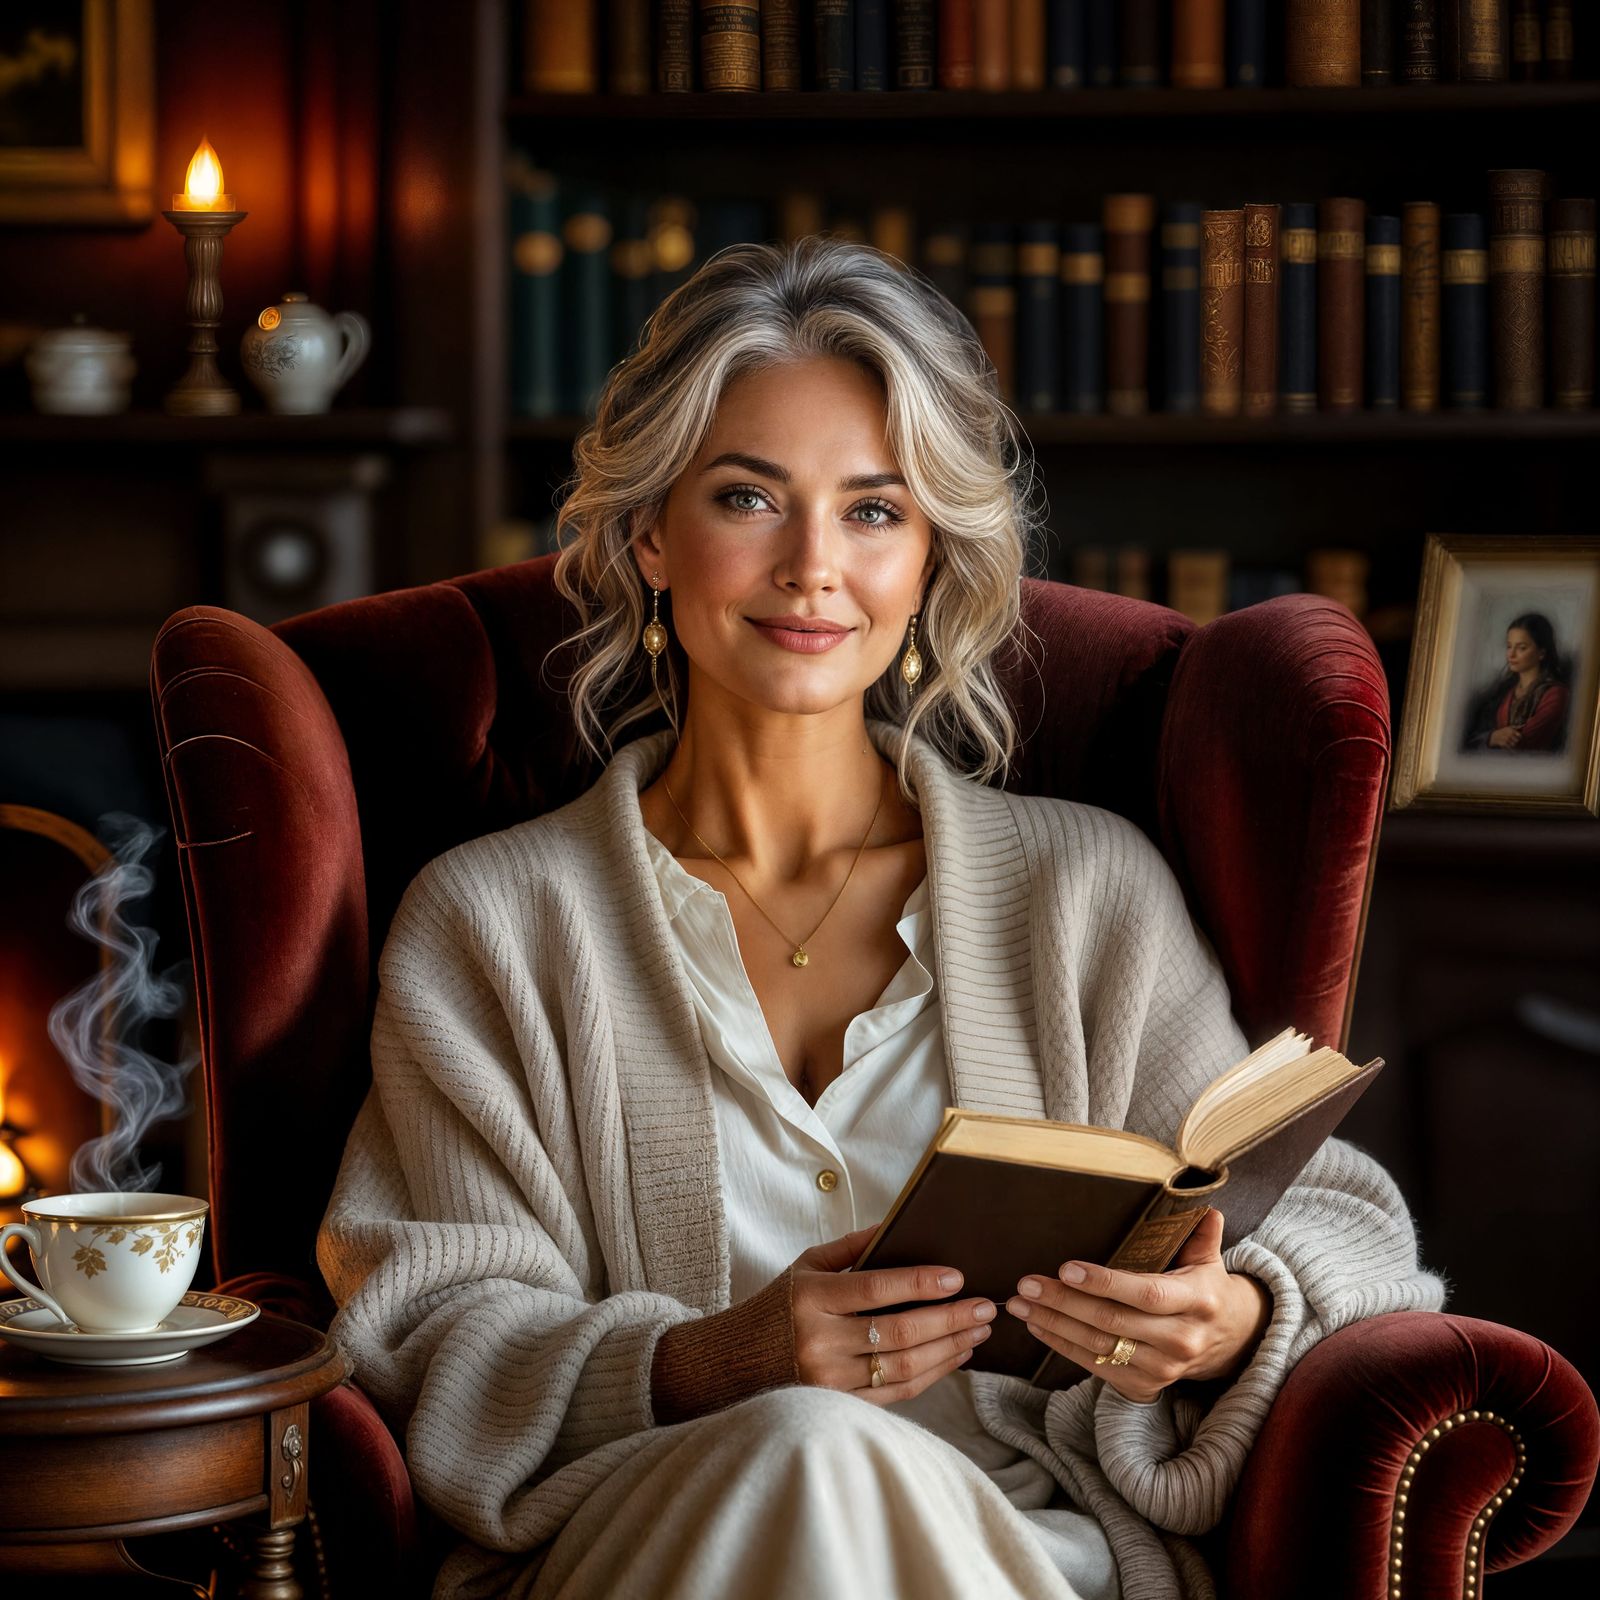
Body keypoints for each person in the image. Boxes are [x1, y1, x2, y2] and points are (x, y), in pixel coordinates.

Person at [315, 237, 1447, 1600]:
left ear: (927, 558)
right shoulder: (490, 924)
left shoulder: (1086, 892)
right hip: (648, 1545)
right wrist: (725, 1359)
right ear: (648, 536)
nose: (813, 567)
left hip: (1021, 1548)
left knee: (826, 1455)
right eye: (749, 497)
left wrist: (1226, 1319)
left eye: (872, 510)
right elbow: (425, 1324)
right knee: (803, 1447)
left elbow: (1348, 1228)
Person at [1461, 612, 1571, 754]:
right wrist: (1491, 737)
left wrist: (1494, 738)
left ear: (1541, 653)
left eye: (1521, 648)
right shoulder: (1503, 692)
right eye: (1509, 646)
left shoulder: (1555, 694)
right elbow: (1469, 739)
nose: (1511, 654)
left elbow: (1521, 742)